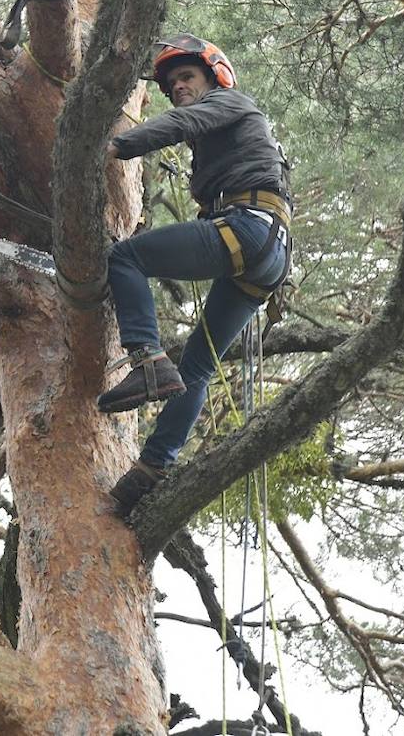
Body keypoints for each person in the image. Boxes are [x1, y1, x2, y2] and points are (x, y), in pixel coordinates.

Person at [101, 34, 292, 515]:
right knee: (199, 369)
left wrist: (112, 146)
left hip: (247, 229)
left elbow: (183, 121)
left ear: (214, 76)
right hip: (268, 256)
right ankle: (150, 471)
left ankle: (146, 360)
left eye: (186, 77)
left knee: (126, 258)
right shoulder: (232, 132)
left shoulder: (230, 102)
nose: (177, 87)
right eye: (170, 84)